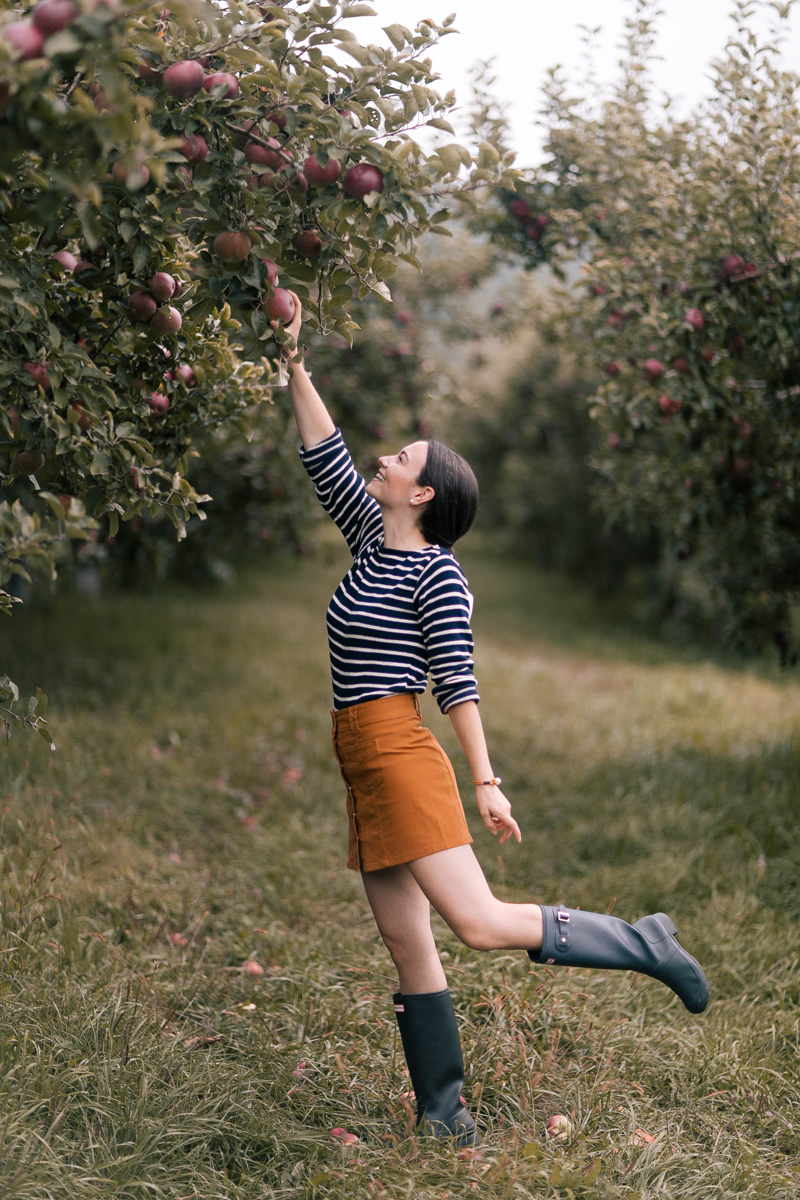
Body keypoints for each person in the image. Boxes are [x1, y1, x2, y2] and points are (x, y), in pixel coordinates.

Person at [278, 293, 708, 1147]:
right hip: (360, 761)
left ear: (423, 490)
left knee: (476, 924)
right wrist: (291, 358)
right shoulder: (375, 542)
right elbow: (322, 452)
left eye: (400, 457)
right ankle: (446, 1118)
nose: (383, 458)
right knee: (410, 945)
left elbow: (457, 683)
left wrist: (485, 779)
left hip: (400, 752)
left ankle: (644, 942)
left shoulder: (437, 575)